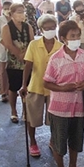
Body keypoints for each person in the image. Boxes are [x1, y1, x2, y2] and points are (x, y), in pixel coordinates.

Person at [43, 20, 84, 167]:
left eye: (78, 36)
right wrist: (62, 88)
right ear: (64, 38)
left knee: (76, 140)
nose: (76, 39)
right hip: (60, 109)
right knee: (59, 142)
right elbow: (47, 83)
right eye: (72, 36)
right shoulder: (56, 59)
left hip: (79, 107)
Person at [20, 14, 62, 158]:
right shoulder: (33, 45)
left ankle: (52, 140)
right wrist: (23, 85)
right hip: (35, 87)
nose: (50, 30)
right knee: (32, 118)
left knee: (54, 119)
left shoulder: (61, 47)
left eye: (53, 28)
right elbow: (28, 66)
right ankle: (33, 142)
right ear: (41, 29)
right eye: (47, 28)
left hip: (54, 89)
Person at [2, 2, 32, 123]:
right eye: (19, 12)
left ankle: (25, 110)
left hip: (27, 60)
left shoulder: (27, 26)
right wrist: (19, 55)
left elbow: (31, 41)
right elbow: (8, 44)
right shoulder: (7, 27)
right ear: (12, 14)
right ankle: (13, 111)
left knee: (27, 87)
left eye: (23, 12)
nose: (22, 14)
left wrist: (27, 55)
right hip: (14, 62)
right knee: (13, 87)